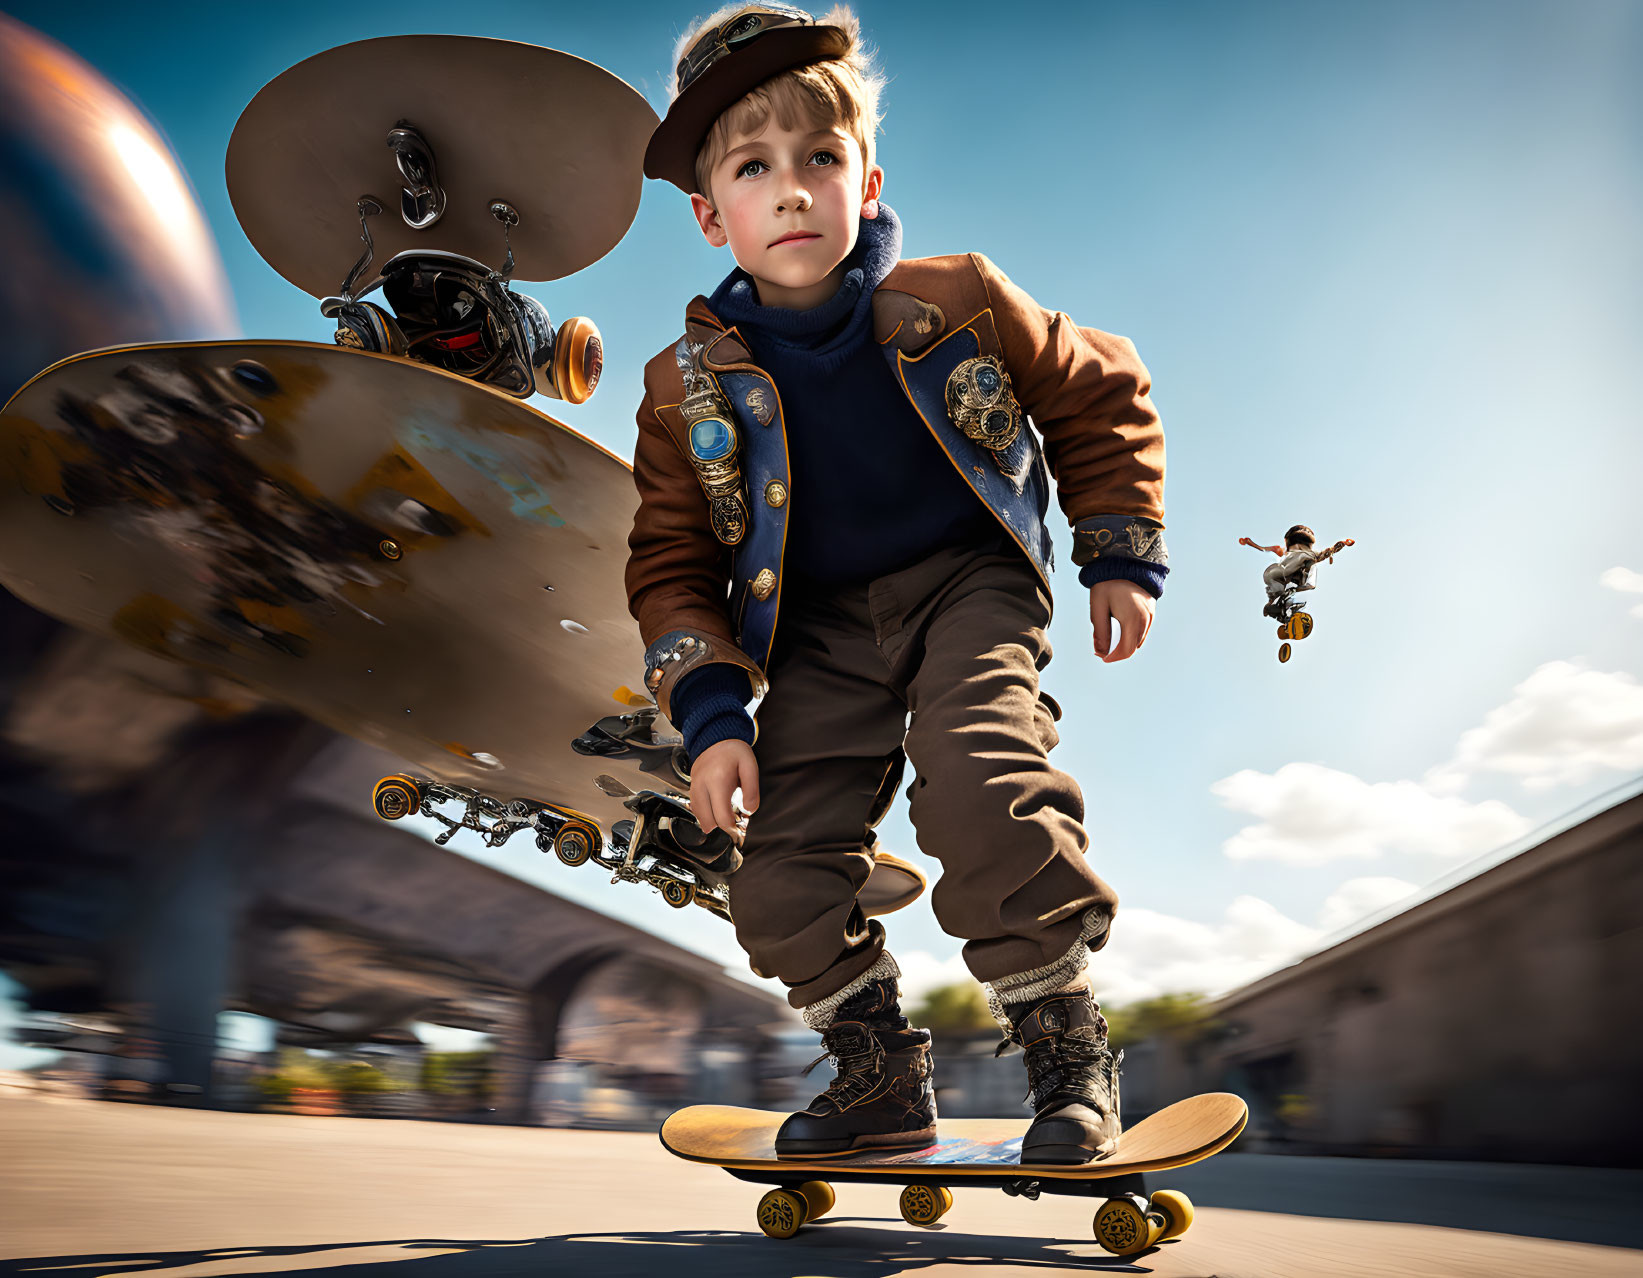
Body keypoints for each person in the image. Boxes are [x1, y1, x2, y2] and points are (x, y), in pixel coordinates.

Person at [625, 3, 1167, 1164]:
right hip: (817, 630)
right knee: (770, 874)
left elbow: (1097, 388)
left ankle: (1065, 1051)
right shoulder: (682, 391)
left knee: (974, 782)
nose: (791, 191)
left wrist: (1116, 548)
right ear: (709, 214)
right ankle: (876, 1075)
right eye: (754, 167)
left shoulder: (954, 299)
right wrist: (712, 714)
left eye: (820, 159)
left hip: (966, 582)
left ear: (864, 180)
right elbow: (669, 561)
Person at [1239, 526, 1354, 619]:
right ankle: (1276, 602)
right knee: (1310, 565)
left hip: (1288, 576)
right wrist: (1340, 545)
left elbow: (1328, 552)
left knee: (1309, 565)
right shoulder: (1302, 552)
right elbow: (1327, 552)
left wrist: (1341, 544)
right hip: (1287, 576)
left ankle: (1279, 607)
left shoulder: (1302, 553)